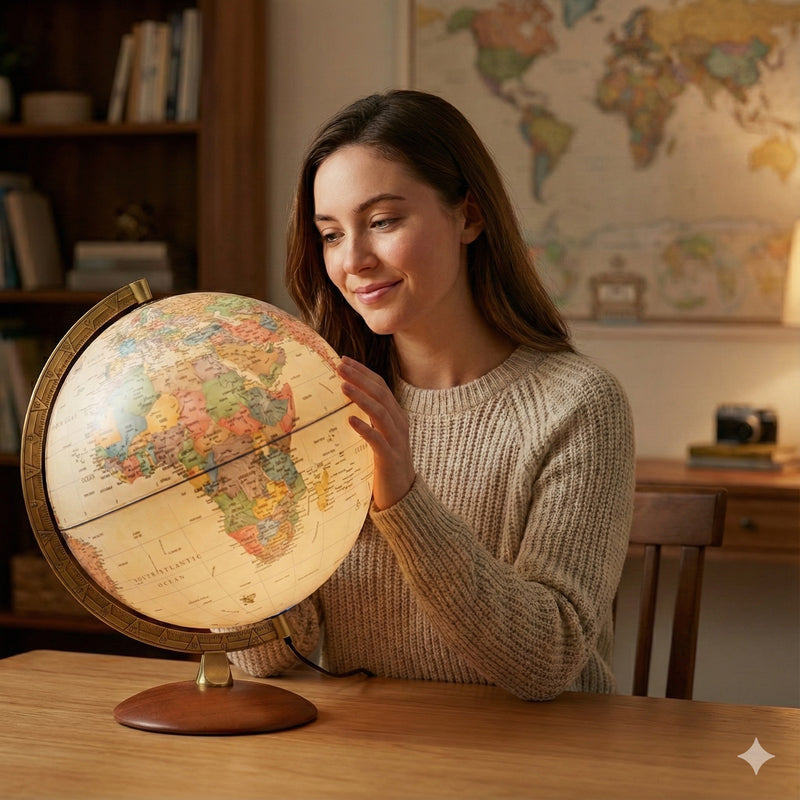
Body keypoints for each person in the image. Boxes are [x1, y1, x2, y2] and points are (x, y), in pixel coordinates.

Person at [229, 89, 635, 701]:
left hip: (546, 762)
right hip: (376, 755)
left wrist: (402, 498)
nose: (355, 260)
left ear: (468, 217)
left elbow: (548, 661)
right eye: (331, 234)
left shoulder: (579, 405)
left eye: (383, 221)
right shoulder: (321, 400)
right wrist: (240, 518)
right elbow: (269, 658)